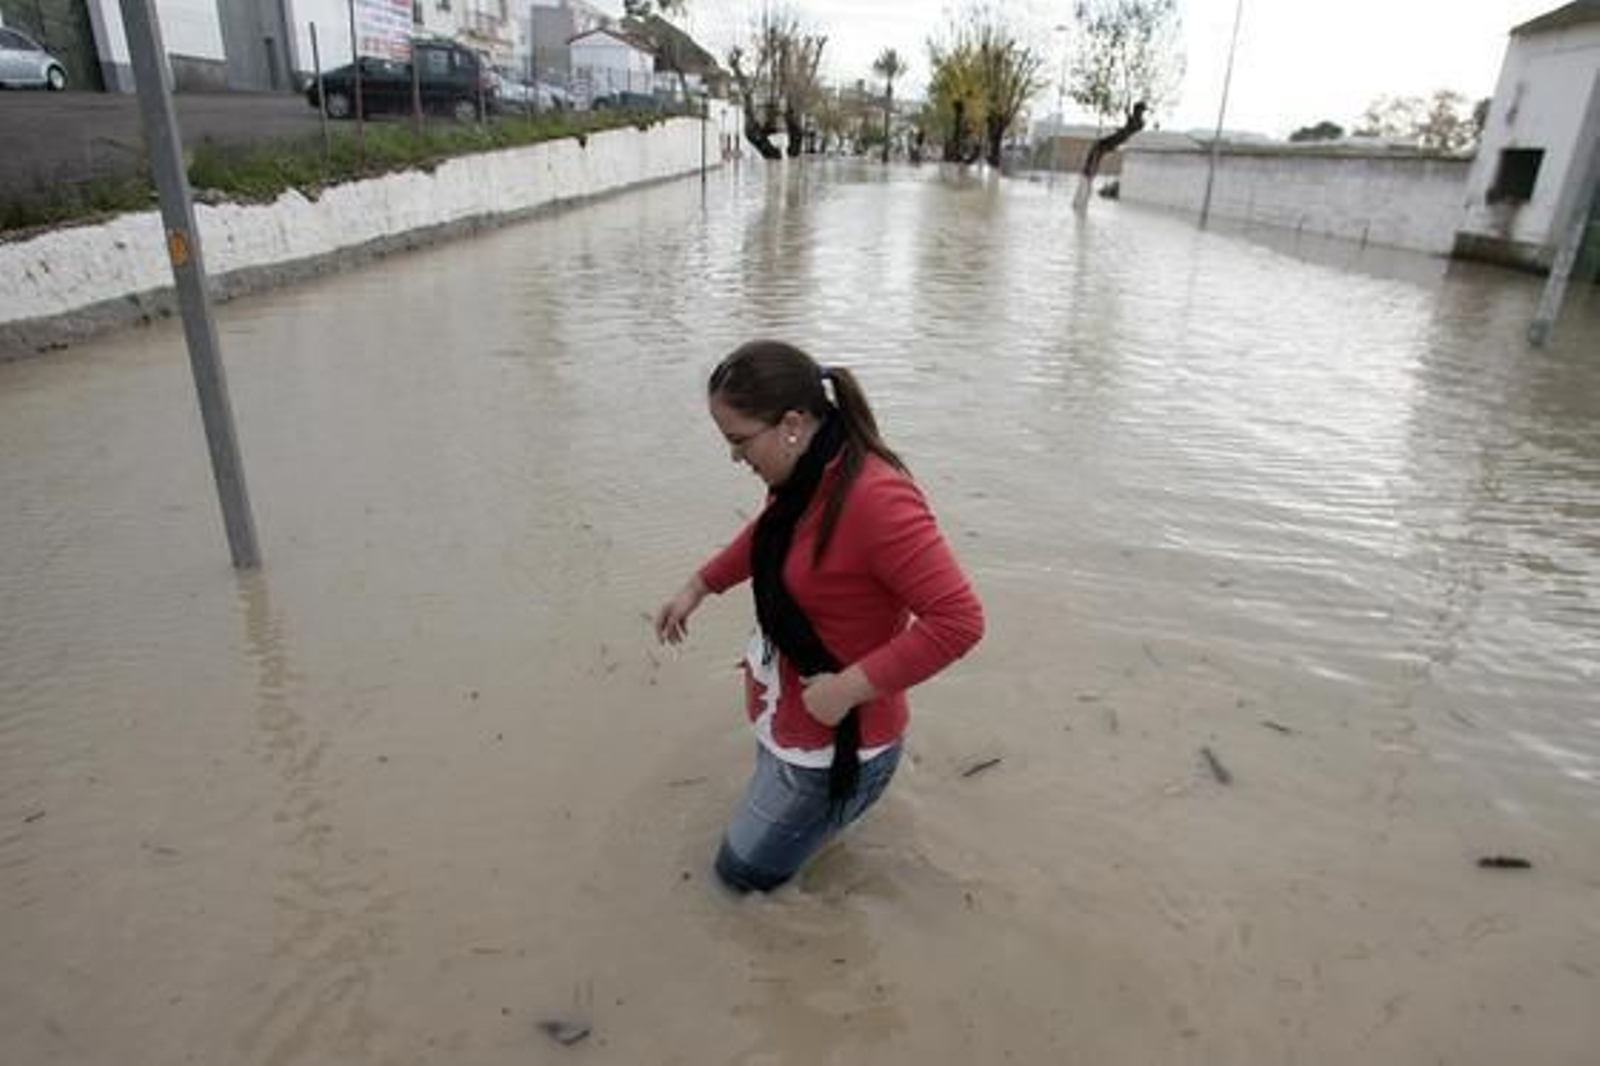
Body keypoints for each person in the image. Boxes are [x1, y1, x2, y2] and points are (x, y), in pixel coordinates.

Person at [654, 339, 985, 893]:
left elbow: (958, 619)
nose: (735, 457)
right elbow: (771, 537)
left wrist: (847, 689)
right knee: (770, 857)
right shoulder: (803, 474)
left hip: (835, 741)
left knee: (738, 881)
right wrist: (700, 586)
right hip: (792, 716)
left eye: (738, 441)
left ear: (791, 422)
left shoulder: (876, 499)